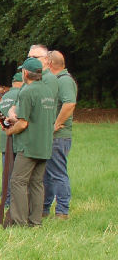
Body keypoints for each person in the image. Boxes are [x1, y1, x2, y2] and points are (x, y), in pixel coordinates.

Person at [4, 57, 57, 227]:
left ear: (25, 73)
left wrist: (9, 130)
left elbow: (23, 123)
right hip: (45, 145)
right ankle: (35, 222)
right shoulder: (48, 91)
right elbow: (38, 117)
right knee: (37, 183)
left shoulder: (27, 91)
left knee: (18, 181)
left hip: (29, 146)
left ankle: (19, 222)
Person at [42, 50, 77, 219]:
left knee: (57, 173)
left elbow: (69, 104)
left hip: (59, 136)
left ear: (49, 63)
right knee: (47, 174)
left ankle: (62, 211)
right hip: (52, 136)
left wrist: (55, 124)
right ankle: (44, 208)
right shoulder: (56, 80)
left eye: (43, 62)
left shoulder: (64, 80)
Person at [0, 71, 23, 208]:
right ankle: (17, 201)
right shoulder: (22, 94)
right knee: (19, 174)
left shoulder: (5, 96)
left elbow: (0, 115)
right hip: (19, 138)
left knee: (7, 172)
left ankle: (6, 200)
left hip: (5, 139)